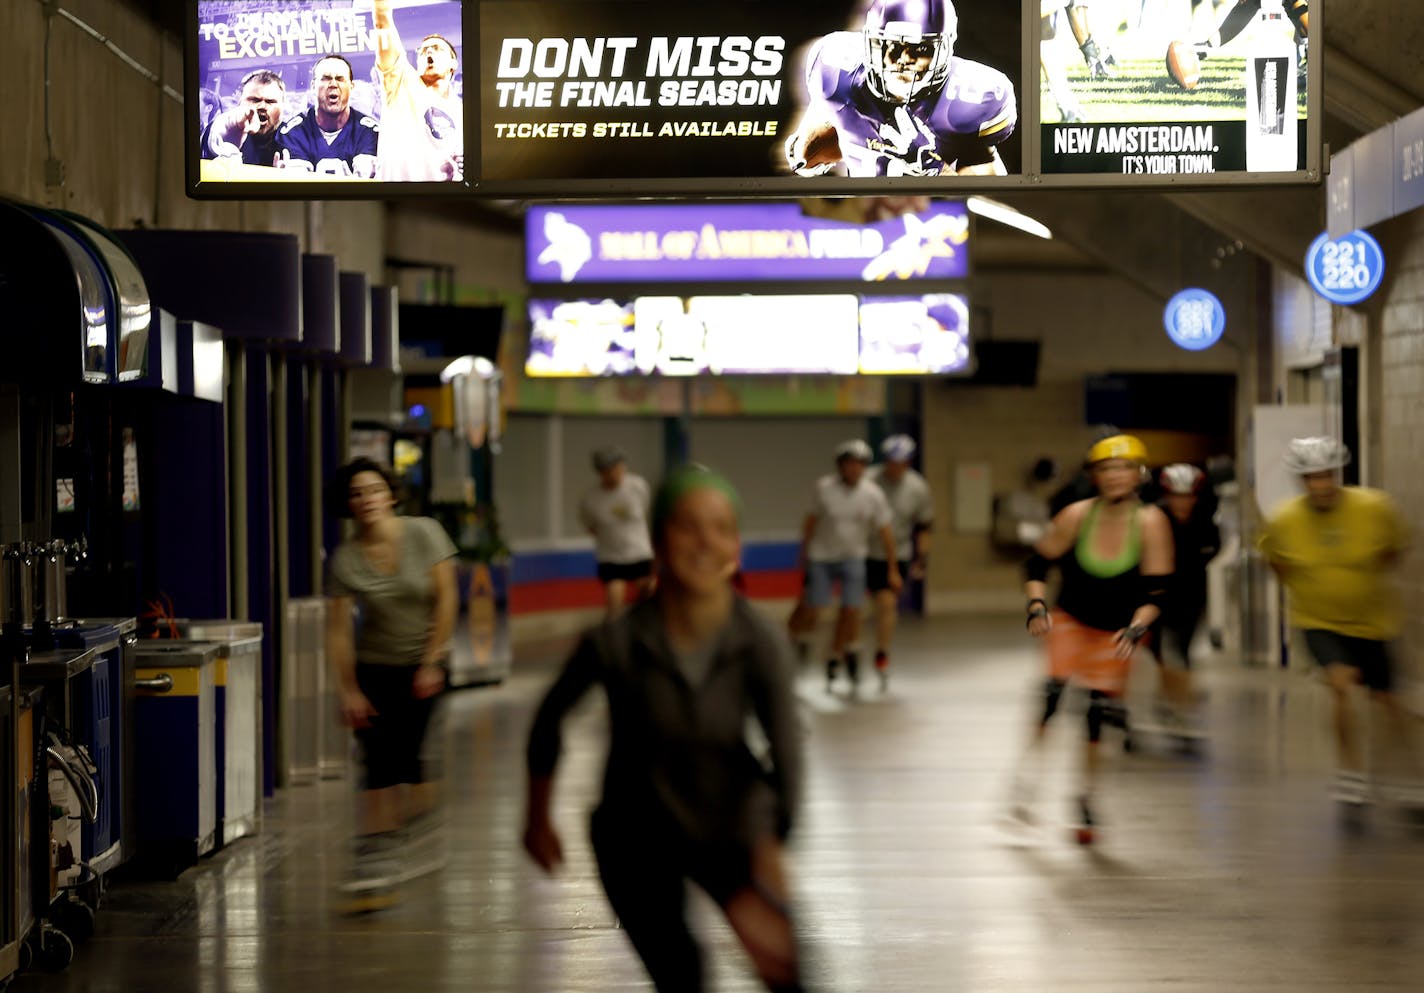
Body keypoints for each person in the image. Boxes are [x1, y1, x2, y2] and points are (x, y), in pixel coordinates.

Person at [524, 465, 808, 993]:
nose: (706, 542)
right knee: (683, 975)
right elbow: (549, 718)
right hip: (635, 836)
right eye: (688, 526)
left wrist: (768, 861)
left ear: (736, 547)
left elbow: (787, 754)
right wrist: (537, 817)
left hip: (727, 826)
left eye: (721, 528)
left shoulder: (760, 643)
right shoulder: (616, 642)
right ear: (656, 540)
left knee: (788, 970)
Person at [1015, 434, 1173, 843]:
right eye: (1106, 469)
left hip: (1115, 631)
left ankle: (1085, 799)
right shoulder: (1077, 515)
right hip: (1070, 619)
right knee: (1051, 697)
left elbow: (1156, 593)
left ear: (1138, 475)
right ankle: (1026, 782)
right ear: (1094, 476)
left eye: (1123, 469)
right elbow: (1036, 563)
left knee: (1095, 714)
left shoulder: (1151, 522)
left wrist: (1138, 627)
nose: (1115, 477)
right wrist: (1037, 605)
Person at [323, 457, 458, 911]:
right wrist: (348, 689)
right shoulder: (346, 558)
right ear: (348, 505)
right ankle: (373, 862)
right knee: (377, 764)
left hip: (425, 662)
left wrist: (433, 660)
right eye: (357, 493)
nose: (367, 500)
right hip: (375, 669)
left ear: (392, 494)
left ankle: (417, 828)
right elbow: (338, 631)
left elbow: (446, 600)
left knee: (411, 763)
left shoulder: (424, 533)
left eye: (375, 490)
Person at [1258, 437, 1420, 809]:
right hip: (1318, 620)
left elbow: (1393, 551)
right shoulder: (1284, 519)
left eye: (1327, 475)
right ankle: (1351, 773)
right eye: (1312, 477)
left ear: (1338, 474)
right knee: (1341, 683)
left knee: (1388, 700)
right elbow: (1276, 562)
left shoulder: (1376, 507)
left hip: (1374, 622)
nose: (1321, 485)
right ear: (1301, 480)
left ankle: (1408, 772)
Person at [784, 0, 1017, 178]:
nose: (903, 60)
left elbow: (990, 203)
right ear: (871, 44)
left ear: (944, 50)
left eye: (920, 49)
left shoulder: (972, 98)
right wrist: (801, 152)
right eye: (892, 46)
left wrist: (933, 168)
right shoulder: (836, 69)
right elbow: (802, 155)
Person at [788, 439, 899, 693]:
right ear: (840, 466)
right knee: (814, 606)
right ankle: (798, 641)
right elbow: (811, 522)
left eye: (860, 465)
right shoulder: (824, 488)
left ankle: (836, 654)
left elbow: (885, 532)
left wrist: (892, 569)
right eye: (850, 464)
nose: (854, 470)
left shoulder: (872, 494)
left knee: (851, 610)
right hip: (822, 556)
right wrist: (803, 554)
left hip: (853, 556)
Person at [1148, 463, 1221, 737]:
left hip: (1191, 597)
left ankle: (1178, 703)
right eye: (1176, 495)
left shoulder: (1205, 521)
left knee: (1182, 650)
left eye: (1188, 495)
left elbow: (1212, 550)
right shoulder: (1154, 518)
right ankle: (1177, 703)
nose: (1183, 502)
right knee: (1163, 652)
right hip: (1158, 597)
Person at [866, 434, 933, 691]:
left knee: (886, 604)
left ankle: (882, 652)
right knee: (854, 606)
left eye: (901, 462)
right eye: (891, 461)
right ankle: (847, 649)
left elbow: (924, 526)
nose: (896, 467)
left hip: (897, 554)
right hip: (863, 550)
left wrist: (921, 559)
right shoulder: (869, 480)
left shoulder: (917, 488)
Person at [372, 0, 464, 181]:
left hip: (437, 204)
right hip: (393, 200)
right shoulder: (401, 81)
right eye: (423, 51)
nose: (429, 53)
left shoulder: (463, 113)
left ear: (454, 64)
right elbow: (381, 20)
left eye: (437, 49)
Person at [578, 446, 654, 618]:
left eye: (620, 467)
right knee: (614, 600)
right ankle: (614, 637)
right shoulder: (591, 498)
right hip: (610, 556)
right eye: (611, 470)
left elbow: (646, 508)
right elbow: (590, 526)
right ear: (601, 472)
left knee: (648, 596)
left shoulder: (638, 486)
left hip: (639, 552)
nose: (617, 473)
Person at [275, 54, 379, 177]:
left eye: (340, 79)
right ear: (313, 86)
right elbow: (299, 189)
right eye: (326, 78)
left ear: (351, 87)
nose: (333, 84)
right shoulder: (293, 133)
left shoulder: (370, 132)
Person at [200, 69, 285, 166]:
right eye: (254, 100)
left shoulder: (291, 137)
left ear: (282, 107)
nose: (262, 106)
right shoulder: (226, 127)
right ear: (240, 103)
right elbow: (213, 137)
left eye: (270, 101)